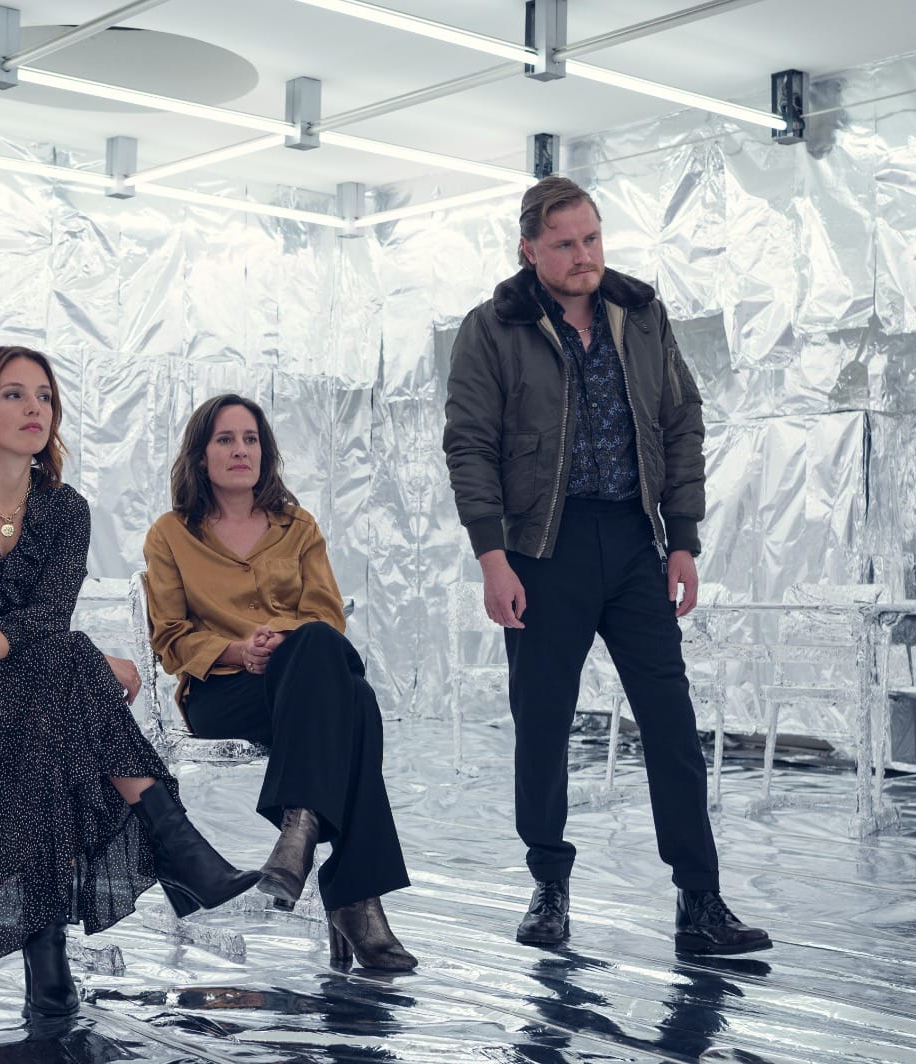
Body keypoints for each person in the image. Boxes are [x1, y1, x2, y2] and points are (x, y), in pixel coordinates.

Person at [442, 177, 770, 955]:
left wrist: (681, 538)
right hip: (541, 549)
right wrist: (492, 557)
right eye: (564, 244)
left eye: (591, 238)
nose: (583, 255)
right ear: (529, 250)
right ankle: (549, 889)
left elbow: (681, 421)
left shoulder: (641, 313)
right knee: (544, 725)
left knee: (672, 722)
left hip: (631, 542)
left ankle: (700, 900)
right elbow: (469, 444)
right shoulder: (492, 328)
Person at [0, 346, 259, 1016]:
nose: (35, 408)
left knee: (50, 710)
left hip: (28, 692)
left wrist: (18, 650)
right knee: (67, 672)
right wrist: (91, 666)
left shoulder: (65, 509)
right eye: (14, 394)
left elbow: (50, 614)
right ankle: (172, 850)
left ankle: (51, 951)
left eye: (45, 397)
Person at [142, 393, 416, 972]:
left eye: (251, 439)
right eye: (225, 439)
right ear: (201, 455)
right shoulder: (171, 534)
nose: (240, 450)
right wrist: (240, 651)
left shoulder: (298, 526)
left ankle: (300, 831)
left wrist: (283, 642)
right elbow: (170, 638)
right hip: (224, 692)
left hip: (303, 681)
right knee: (357, 703)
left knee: (320, 649)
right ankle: (354, 898)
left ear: (264, 452)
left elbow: (328, 616)